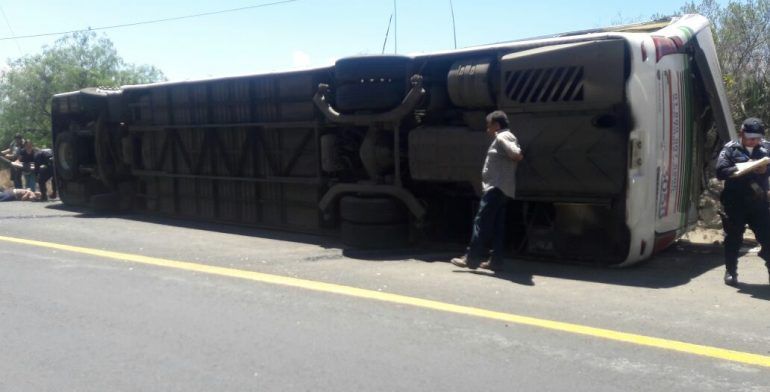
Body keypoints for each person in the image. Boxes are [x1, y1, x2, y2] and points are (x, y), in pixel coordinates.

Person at [451, 110, 523, 270]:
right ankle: (496, 261)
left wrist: (516, 155)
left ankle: (471, 258)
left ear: (496, 125)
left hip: (496, 188)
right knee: (497, 226)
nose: (487, 129)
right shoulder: (507, 136)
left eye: (489, 126)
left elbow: (516, 154)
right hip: (503, 189)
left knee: (480, 222)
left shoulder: (502, 136)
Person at [715, 117, 770, 286]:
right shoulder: (730, 149)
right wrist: (742, 167)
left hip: (758, 203)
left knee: (767, 237)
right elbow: (720, 171)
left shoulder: (766, 148)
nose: (754, 141)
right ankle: (731, 271)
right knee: (733, 238)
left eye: (757, 138)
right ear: (742, 133)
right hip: (735, 202)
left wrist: (764, 170)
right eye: (751, 138)